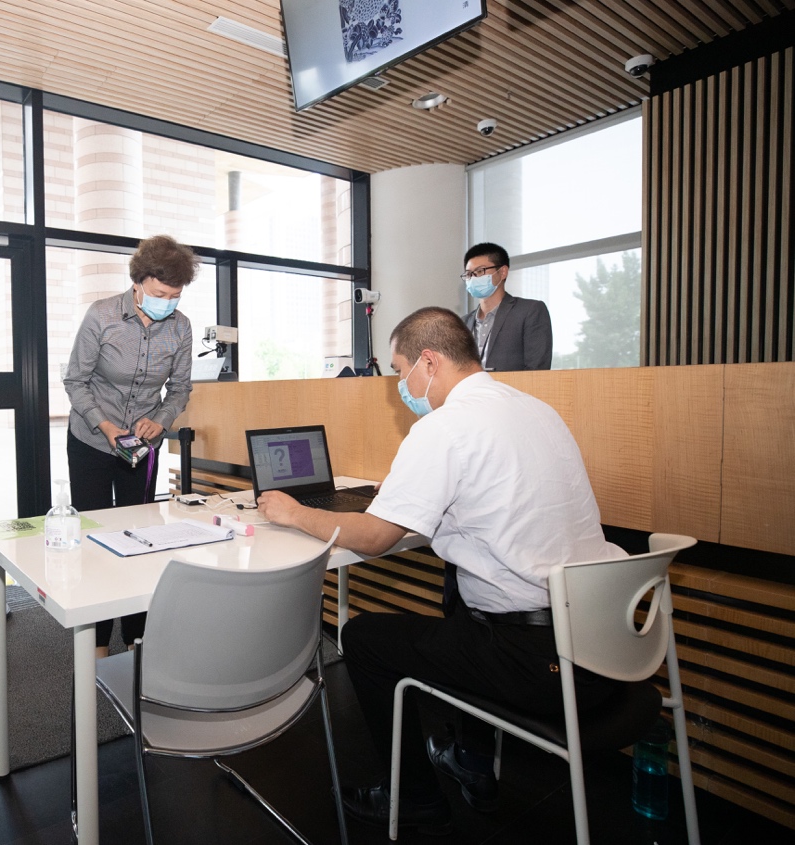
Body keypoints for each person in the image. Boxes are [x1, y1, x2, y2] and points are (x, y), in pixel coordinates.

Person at [256, 306, 625, 833]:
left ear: (428, 362)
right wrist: (412, 496)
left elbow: (375, 539)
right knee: (459, 589)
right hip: (603, 639)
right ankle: (471, 759)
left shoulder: (445, 427)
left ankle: (414, 798)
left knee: (363, 637)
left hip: (540, 663)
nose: (399, 386)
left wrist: (294, 513)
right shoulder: (537, 410)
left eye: (399, 370)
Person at [63, 234, 200, 658]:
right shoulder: (102, 316)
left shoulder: (180, 327)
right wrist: (104, 425)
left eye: (175, 296)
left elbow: (180, 389)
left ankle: (136, 639)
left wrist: (160, 421)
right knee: (95, 538)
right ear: (138, 282)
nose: (167, 303)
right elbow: (75, 381)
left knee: (140, 538)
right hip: (91, 439)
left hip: (141, 445)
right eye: (160, 294)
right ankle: (97, 642)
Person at [461, 242, 552, 371]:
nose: (473, 278)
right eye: (469, 274)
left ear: (502, 272)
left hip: (513, 385)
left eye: (480, 271)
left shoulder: (530, 311)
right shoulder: (462, 323)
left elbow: (537, 370)